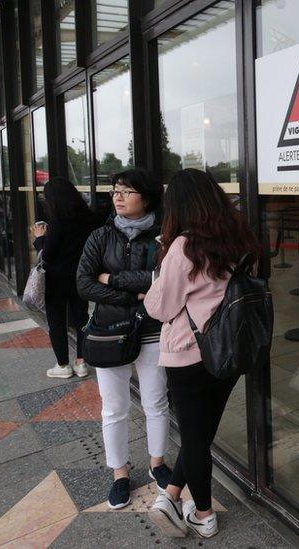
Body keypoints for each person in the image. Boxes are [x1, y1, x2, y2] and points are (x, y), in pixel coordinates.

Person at [144, 169, 263, 539]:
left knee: (194, 437)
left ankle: (204, 515)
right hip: (231, 347)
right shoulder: (239, 236)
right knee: (202, 429)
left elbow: (159, 308)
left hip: (190, 353)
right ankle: (173, 493)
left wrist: (156, 276)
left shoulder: (183, 247)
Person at [76, 168, 172, 510]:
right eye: (115, 191)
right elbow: (85, 284)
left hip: (152, 330)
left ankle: (157, 463)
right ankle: (119, 474)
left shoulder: (163, 236)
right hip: (108, 332)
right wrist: (135, 294)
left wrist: (113, 278)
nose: (118, 197)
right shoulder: (100, 237)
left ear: (145, 198)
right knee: (114, 408)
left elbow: (162, 280)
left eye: (127, 191)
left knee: (156, 402)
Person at [33, 177, 103, 379]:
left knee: (56, 322)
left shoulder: (57, 222)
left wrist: (39, 239)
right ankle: (81, 362)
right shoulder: (89, 218)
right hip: (82, 276)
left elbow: (47, 254)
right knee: (81, 318)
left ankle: (62, 365)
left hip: (56, 280)